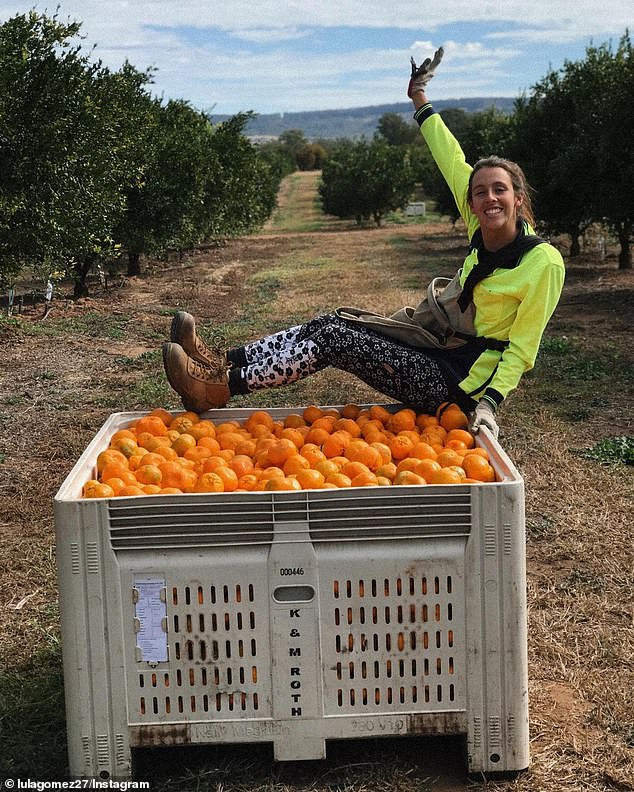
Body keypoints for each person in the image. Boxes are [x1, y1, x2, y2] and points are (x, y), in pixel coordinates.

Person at [163, 47, 565, 439]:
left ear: (518, 198)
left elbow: (522, 349)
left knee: (334, 340)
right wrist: (419, 97)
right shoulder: (479, 225)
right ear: (472, 202)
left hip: (458, 385)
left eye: (500, 190)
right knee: (329, 323)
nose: (489, 198)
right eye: (480, 192)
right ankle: (218, 362)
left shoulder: (541, 263)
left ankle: (217, 389)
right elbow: (450, 157)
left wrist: (489, 404)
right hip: (435, 348)